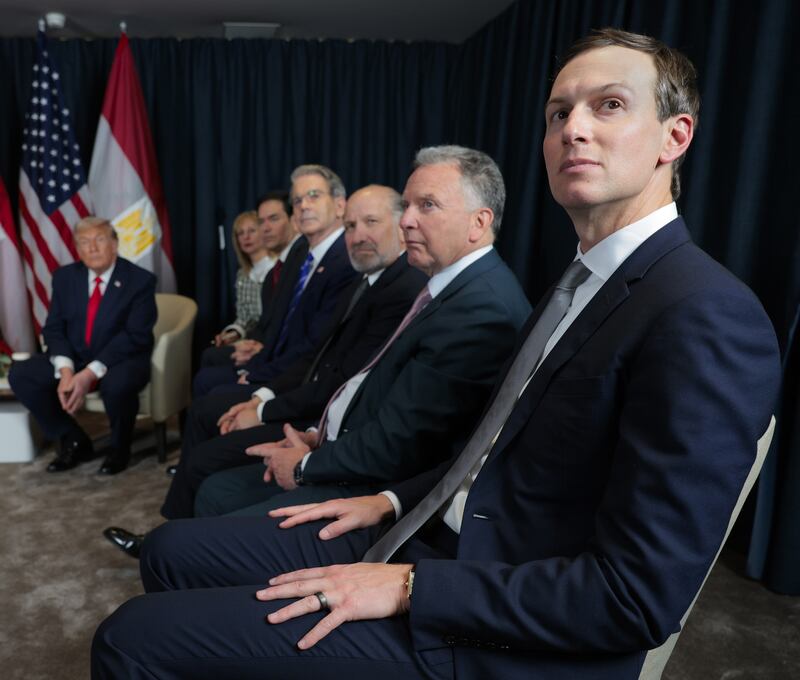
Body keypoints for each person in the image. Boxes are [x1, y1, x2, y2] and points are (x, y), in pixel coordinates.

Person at [92, 30, 781, 680]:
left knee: (131, 639)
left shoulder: (703, 313)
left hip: (493, 627)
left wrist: (411, 586)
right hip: (424, 533)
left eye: (609, 106)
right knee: (174, 552)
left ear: (675, 136)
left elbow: (633, 598)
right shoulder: (575, 286)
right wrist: (389, 501)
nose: (573, 128)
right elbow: (493, 456)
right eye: (557, 113)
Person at [107, 184, 427, 542]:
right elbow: (314, 353)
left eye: (370, 222)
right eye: (352, 226)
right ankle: (175, 538)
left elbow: (336, 379)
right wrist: (261, 397)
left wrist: (263, 409)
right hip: (310, 405)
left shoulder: (398, 288)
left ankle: (172, 542)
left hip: (323, 423)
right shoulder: (364, 279)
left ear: (403, 226)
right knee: (207, 432)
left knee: (206, 463)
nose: (358, 235)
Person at [192, 165, 358, 396]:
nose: (304, 206)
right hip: (276, 362)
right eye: (297, 200)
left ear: (340, 205)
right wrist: (256, 354)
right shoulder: (302, 256)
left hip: (302, 380)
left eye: (314, 196)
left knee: (210, 393)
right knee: (207, 376)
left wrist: (258, 375)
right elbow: (278, 320)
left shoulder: (346, 261)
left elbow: (315, 343)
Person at [10, 217, 156, 476]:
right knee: (22, 373)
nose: (92, 248)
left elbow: (135, 336)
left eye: (99, 240)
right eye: (84, 242)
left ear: (115, 244)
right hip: (75, 356)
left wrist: (89, 374)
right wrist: (66, 370)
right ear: (77, 248)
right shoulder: (65, 278)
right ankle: (72, 439)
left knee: (118, 385)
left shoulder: (139, 281)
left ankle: (119, 448)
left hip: (121, 358)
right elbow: (54, 327)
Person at [202, 192, 297, 365]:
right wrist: (234, 333)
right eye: (240, 233)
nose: (246, 237)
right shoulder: (242, 275)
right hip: (254, 336)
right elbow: (244, 318)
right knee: (210, 355)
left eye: (251, 230)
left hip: (271, 341)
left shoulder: (282, 266)